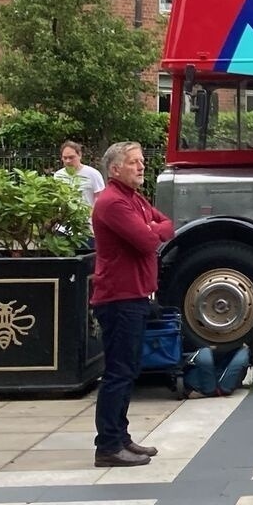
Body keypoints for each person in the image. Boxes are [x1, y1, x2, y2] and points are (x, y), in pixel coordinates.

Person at [91, 141, 175, 468]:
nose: (141, 167)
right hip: (119, 299)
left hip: (135, 296)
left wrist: (152, 228)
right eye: (134, 163)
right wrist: (152, 230)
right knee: (118, 373)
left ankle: (121, 437)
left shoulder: (134, 199)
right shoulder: (113, 202)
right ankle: (108, 445)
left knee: (129, 371)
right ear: (115, 169)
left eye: (141, 161)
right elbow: (147, 241)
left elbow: (166, 225)